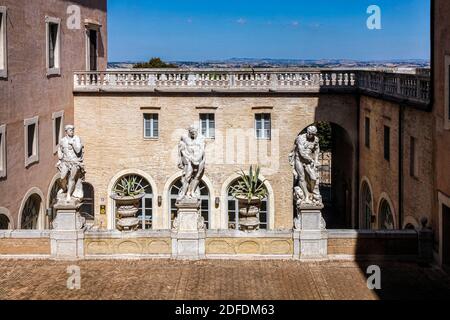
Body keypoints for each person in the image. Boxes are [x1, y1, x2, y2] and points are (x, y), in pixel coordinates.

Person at [289, 126, 323, 206]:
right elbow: (301, 152)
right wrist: (311, 159)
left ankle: (311, 192)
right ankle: (306, 196)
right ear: (307, 132)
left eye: (312, 134)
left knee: (313, 178)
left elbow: (317, 149)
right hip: (299, 160)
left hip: (309, 161)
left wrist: (316, 160)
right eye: (310, 134)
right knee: (301, 177)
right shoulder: (300, 138)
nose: (311, 135)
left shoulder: (316, 139)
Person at [57, 125, 85, 202]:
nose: (72, 131)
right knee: (62, 177)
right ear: (66, 132)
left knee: (72, 178)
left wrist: (73, 143)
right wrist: (60, 159)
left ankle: (69, 194)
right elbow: (60, 149)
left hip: (74, 162)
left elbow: (78, 150)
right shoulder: (62, 140)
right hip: (65, 162)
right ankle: (64, 188)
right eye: (70, 130)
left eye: (72, 130)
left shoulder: (76, 139)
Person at [177, 125, 206, 200]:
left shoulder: (201, 138)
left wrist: (197, 159)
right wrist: (182, 158)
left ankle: (192, 191)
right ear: (189, 132)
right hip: (189, 159)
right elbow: (181, 148)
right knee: (187, 176)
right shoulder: (184, 137)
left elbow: (202, 150)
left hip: (199, 159)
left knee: (197, 176)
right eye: (192, 133)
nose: (193, 134)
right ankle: (183, 193)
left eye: (195, 133)